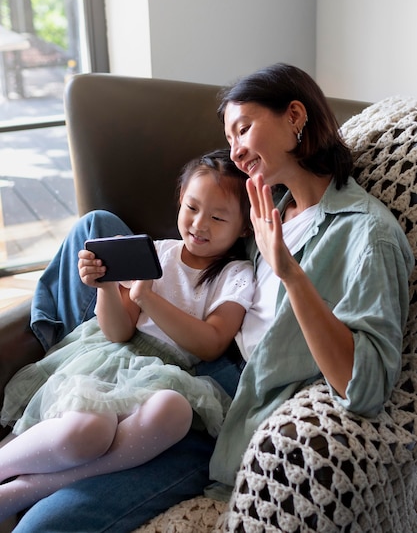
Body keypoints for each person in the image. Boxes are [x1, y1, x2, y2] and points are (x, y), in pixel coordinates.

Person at [7, 63, 414, 533]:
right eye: (229, 136)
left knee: (42, 526)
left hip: (225, 397)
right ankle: (58, 364)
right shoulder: (270, 206)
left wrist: (290, 274)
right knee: (96, 226)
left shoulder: (368, 234)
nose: (236, 151)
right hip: (175, 359)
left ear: (295, 117)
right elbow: (197, 253)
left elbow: (364, 387)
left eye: (244, 129)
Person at [0, 149, 254, 523]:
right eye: (191, 208)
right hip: (112, 359)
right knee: (89, 430)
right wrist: (105, 288)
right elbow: (117, 331)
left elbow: (212, 342)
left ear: (244, 228)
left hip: (169, 373)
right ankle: (10, 480)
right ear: (179, 201)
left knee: (176, 411)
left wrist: (149, 298)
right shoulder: (157, 252)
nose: (200, 224)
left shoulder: (236, 274)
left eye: (218, 217)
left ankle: (28, 490)